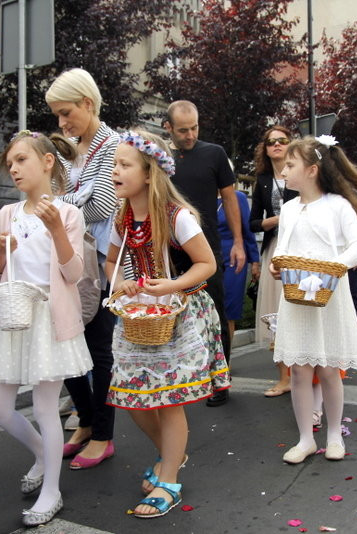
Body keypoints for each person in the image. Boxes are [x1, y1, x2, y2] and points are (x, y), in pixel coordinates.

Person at [104, 130, 230, 518]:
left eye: (124, 164)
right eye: (114, 164)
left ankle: (169, 479)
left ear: (148, 173)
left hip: (178, 314)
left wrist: (171, 285)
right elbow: (110, 262)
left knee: (170, 401)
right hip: (139, 317)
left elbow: (207, 264)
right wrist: (120, 282)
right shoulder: (121, 217)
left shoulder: (177, 217)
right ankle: (171, 454)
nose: (115, 171)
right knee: (135, 401)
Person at [0, 130, 93, 527]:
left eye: (22, 160)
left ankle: (52, 490)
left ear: (47, 163)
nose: (13, 168)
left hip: (49, 317)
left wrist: (58, 230)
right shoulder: (9, 214)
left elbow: (73, 273)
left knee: (45, 406)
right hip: (13, 317)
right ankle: (43, 454)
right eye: (10, 163)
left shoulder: (69, 213)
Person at [268, 136, 357, 464]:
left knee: (328, 369)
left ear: (312, 170)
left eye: (290, 164)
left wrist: (335, 267)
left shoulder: (338, 205)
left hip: (329, 294)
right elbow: (283, 247)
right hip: (296, 296)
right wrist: (276, 263)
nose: (284, 170)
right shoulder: (288, 208)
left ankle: (334, 434)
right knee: (299, 370)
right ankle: (304, 439)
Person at [45, 68, 119, 466]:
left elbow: (103, 207)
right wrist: (64, 204)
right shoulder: (68, 147)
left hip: (102, 259)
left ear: (88, 104)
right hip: (70, 255)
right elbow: (63, 197)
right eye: (57, 115)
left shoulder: (112, 145)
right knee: (66, 340)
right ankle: (88, 421)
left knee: (98, 347)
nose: (62, 122)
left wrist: (58, 207)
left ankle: (103, 434)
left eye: (66, 111)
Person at [165, 100, 243, 407]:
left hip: (207, 247)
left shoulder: (214, 153)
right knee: (172, 315)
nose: (190, 134)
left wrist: (237, 241)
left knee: (215, 313)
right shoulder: (160, 157)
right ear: (168, 127)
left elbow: (230, 198)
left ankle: (220, 381)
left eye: (195, 127)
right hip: (169, 250)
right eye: (183, 129)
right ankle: (180, 376)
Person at [249, 125, 298, 397]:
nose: (277, 145)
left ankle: (305, 375)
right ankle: (284, 378)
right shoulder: (263, 180)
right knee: (277, 314)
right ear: (265, 149)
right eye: (271, 142)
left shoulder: (301, 175)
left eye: (282, 140)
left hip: (300, 250)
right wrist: (278, 219)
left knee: (298, 308)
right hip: (274, 249)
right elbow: (253, 222)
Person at [218, 189, 260, 341]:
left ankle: (226, 359)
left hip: (234, 259)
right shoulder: (202, 195)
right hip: (207, 258)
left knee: (229, 308)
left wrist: (255, 261)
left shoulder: (238, 197)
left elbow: (247, 231)